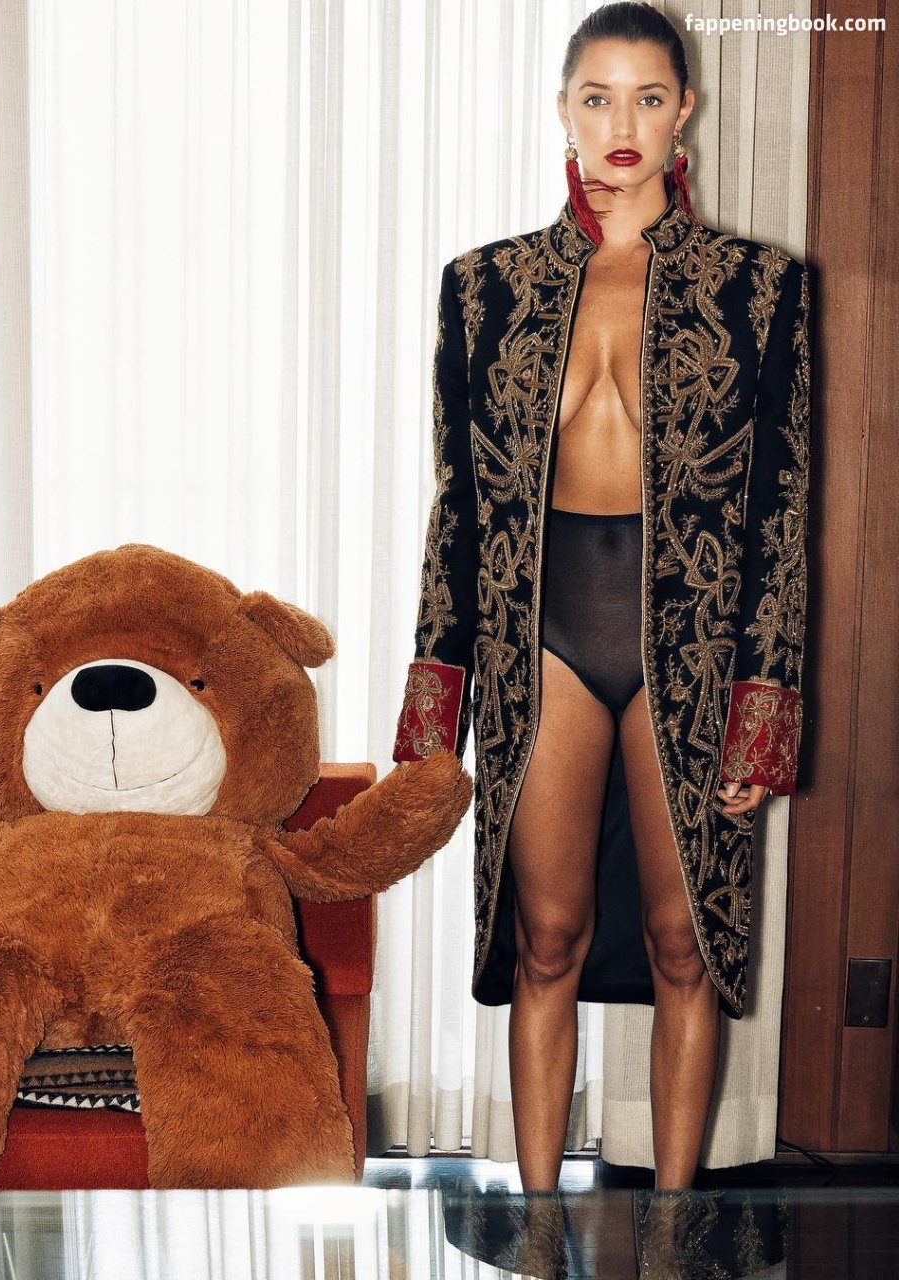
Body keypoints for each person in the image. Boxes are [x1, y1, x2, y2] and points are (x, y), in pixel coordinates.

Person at [392, 1, 812, 1194]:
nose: (620, 121)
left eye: (646, 96)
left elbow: (782, 507)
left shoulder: (758, 289)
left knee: (684, 942)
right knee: (547, 938)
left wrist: (763, 708)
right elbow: (458, 503)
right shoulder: (483, 288)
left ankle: (673, 1231)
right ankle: (536, 1227)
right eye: (596, 96)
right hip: (543, 635)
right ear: (562, 111)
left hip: (692, 641)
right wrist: (432, 706)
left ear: (684, 112)